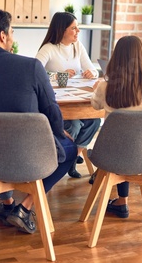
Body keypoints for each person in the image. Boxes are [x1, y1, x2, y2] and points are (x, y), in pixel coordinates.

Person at [0, 8, 77, 233]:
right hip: (29, 153)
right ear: (2, 36)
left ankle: (7, 204)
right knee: (70, 149)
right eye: (11, 31)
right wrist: (59, 133)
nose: (12, 36)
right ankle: (25, 207)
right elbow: (51, 109)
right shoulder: (30, 66)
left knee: (3, 143)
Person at [91, 35, 142, 218]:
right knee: (130, 141)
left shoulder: (106, 87)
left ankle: (122, 201)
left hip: (111, 155)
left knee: (121, 141)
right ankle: (121, 201)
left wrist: (97, 87)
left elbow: (94, 105)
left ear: (116, 58)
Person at [36, 12, 101, 179]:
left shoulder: (77, 46)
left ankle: (73, 157)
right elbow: (35, 73)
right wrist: (59, 75)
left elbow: (93, 69)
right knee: (75, 124)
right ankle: (64, 158)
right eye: (73, 28)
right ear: (62, 30)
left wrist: (90, 72)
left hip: (77, 96)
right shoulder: (48, 48)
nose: (78, 31)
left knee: (94, 121)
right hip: (57, 101)